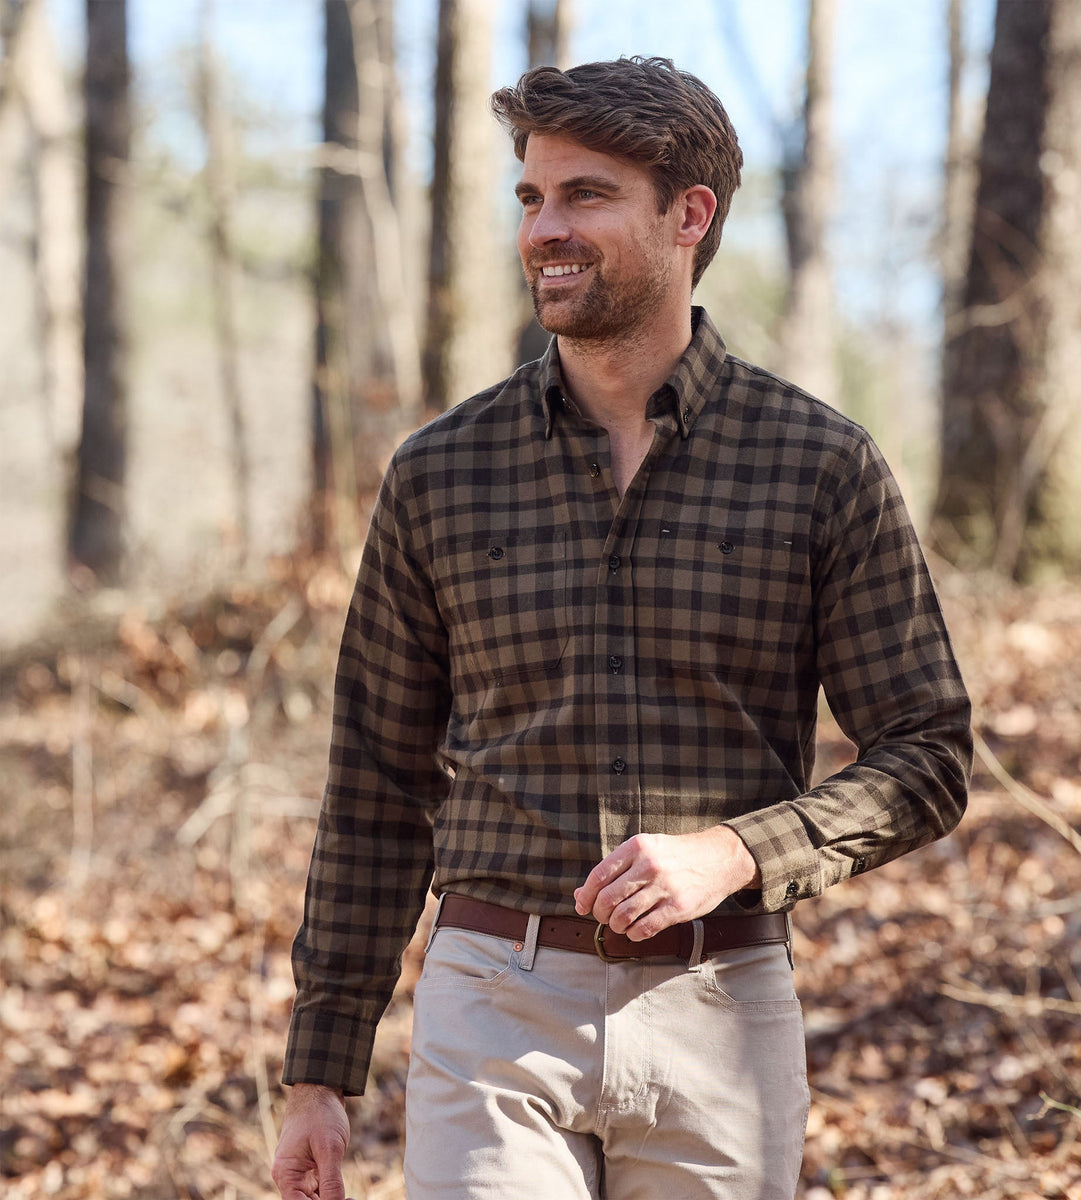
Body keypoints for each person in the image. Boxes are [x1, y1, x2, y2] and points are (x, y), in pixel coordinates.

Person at [272, 56, 972, 1200]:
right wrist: (321, 1071)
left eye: (585, 196)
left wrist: (740, 852)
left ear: (687, 215)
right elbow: (378, 783)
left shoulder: (818, 467)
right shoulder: (441, 474)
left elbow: (929, 755)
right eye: (530, 199)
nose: (544, 228)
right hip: (493, 1003)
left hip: (722, 1011)